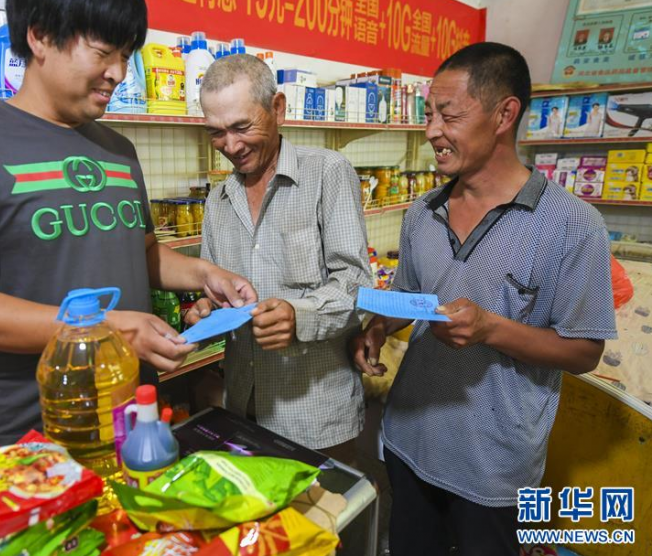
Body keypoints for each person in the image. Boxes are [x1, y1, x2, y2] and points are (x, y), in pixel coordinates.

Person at [0, 0, 256, 446]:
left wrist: (206, 273)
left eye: (126, 55)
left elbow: (142, 251)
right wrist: (107, 329)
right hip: (40, 426)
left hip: (135, 407)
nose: (117, 72)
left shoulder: (118, 150)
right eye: (103, 51)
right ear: (39, 36)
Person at [350, 42, 616, 555]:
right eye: (429, 114)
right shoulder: (421, 212)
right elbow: (408, 294)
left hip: (494, 469)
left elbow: (584, 352)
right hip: (409, 438)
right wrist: (380, 327)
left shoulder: (572, 225)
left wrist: (492, 328)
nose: (431, 131)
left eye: (448, 115)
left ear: (504, 114)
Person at [185, 54, 371, 462]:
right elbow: (218, 288)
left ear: (278, 108)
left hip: (315, 414)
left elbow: (357, 286)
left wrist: (297, 315)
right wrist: (207, 311)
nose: (230, 146)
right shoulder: (219, 199)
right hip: (244, 407)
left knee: (324, 520)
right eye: (216, 133)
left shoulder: (327, 173)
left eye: (241, 127)